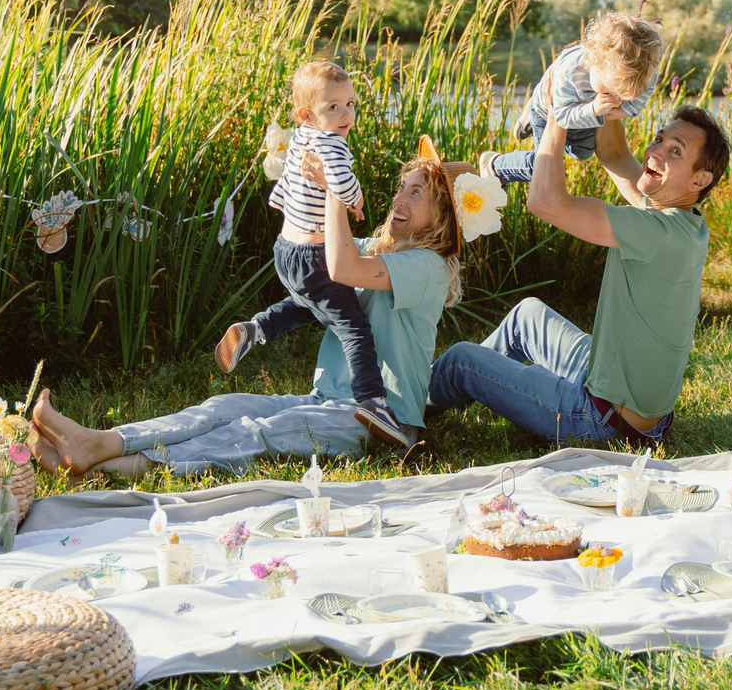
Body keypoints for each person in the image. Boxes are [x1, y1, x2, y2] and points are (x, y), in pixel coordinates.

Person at [29, 153, 460, 477]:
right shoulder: (377, 250)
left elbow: (341, 268)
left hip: (382, 423)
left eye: (416, 192)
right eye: (402, 186)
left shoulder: (429, 266)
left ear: (442, 217)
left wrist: (333, 191)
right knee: (225, 406)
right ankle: (104, 442)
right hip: (329, 401)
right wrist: (262, 325)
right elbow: (320, 291)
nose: (399, 197)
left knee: (263, 430)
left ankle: (112, 465)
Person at [428, 101, 727, 451]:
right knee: (527, 316)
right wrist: (602, 93)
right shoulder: (683, 222)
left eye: (674, 151)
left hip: (600, 419)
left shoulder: (655, 231)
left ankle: (398, 411)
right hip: (618, 392)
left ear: (700, 179)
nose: (655, 151)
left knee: (462, 360)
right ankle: (461, 391)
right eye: (658, 139)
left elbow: (545, 201)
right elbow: (614, 154)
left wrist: (558, 110)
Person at [222, 59, 405, 452]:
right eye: (333, 107)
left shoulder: (303, 137)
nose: (346, 115)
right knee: (353, 325)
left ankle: (256, 329)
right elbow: (339, 183)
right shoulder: (330, 143)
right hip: (313, 254)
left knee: (310, 304)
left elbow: (285, 189)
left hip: (286, 250)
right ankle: (373, 401)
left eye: (350, 103)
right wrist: (355, 198)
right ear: (307, 114)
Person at [476, 10, 667, 187]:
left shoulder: (646, 73)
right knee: (544, 170)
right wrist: (593, 110)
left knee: (583, 153)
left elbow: (640, 101)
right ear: (594, 63)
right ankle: (495, 165)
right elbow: (560, 116)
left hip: (582, 109)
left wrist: (625, 110)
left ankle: (538, 123)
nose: (615, 98)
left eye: (623, 95)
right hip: (552, 108)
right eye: (610, 91)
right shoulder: (571, 73)